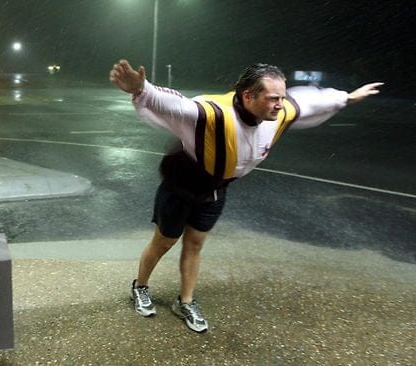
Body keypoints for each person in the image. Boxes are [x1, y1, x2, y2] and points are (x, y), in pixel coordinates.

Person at [109, 59, 383, 333]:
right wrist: (141, 89)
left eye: (282, 97)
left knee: (194, 245)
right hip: (179, 187)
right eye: (273, 98)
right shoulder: (213, 113)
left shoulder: (280, 113)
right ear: (248, 95)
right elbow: (173, 103)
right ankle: (140, 287)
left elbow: (312, 102)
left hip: (215, 190)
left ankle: (186, 301)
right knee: (163, 242)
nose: (280, 104)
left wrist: (347, 97)